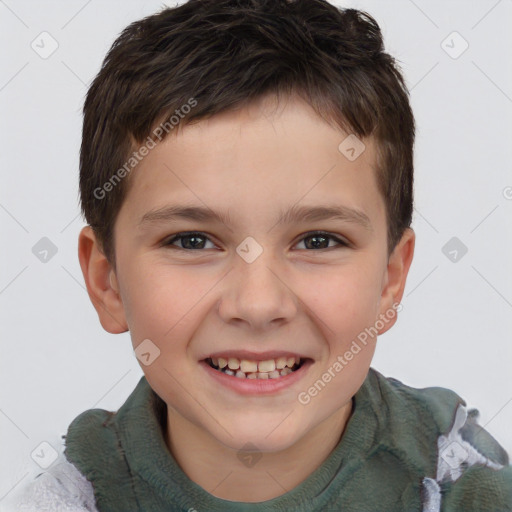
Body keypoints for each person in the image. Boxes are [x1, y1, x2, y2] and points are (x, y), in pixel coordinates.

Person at [13, 0, 512, 510]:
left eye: (318, 241)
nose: (257, 304)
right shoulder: (66, 501)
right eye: (192, 241)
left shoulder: (464, 484)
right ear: (108, 282)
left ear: (390, 278)